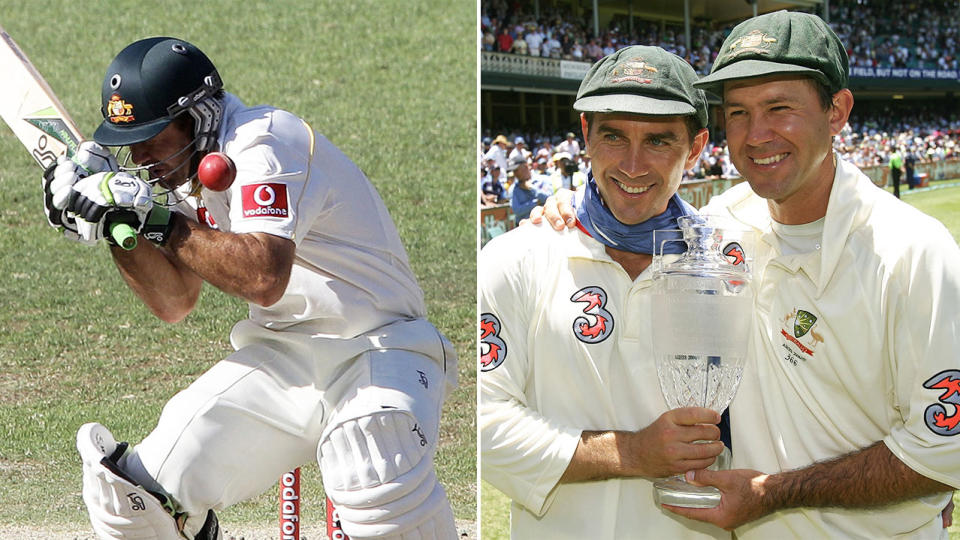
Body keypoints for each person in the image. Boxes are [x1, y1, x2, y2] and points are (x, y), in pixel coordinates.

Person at [532, 11, 960, 538]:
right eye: (738, 112)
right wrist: (562, 212)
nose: (757, 135)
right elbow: (628, 211)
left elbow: (943, 450)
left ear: (837, 111)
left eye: (779, 108)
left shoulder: (914, 253)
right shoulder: (716, 228)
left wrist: (770, 495)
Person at [43, 37, 458, 539]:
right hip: (284, 360)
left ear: (197, 118)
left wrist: (152, 220)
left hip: (378, 344)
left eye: (151, 139)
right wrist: (112, 221)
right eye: (130, 145)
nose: (139, 157)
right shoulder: (181, 171)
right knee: (135, 499)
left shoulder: (263, 140)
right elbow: (175, 301)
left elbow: (262, 277)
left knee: (371, 459)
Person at [480, 45, 727, 539]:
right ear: (586, 133)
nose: (633, 166)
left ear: (696, 147)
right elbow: (482, 428)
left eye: (658, 141)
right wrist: (632, 453)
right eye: (614, 136)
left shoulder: (730, 268)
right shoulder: (516, 258)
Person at [506, 154, 551, 224]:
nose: (515, 174)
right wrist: (536, 203)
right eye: (514, 171)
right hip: (524, 227)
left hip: (544, 224)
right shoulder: (513, 189)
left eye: (517, 170)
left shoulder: (543, 179)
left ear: (525, 166)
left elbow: (549, 198)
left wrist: (532, 188)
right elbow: (517, 210)